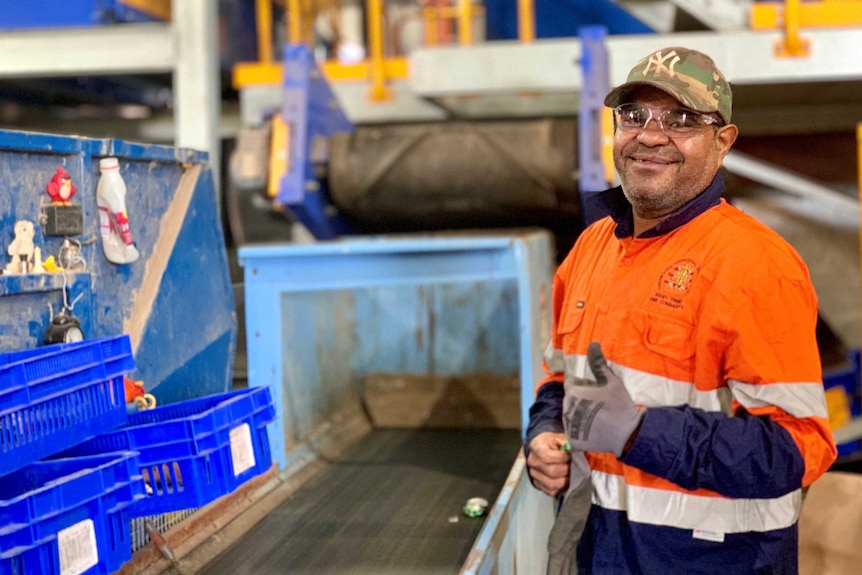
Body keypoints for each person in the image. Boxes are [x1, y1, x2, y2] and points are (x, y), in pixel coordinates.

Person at [524, 46, 837, 575]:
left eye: (682, 119)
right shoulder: (593, 247)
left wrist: (639, 433)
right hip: (595, 546)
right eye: (633, 115)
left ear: (723, 142)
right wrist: (545, 435)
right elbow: (562, 377)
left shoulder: (757, 265)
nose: (649, 135)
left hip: (713, 561)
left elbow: (795, 449)